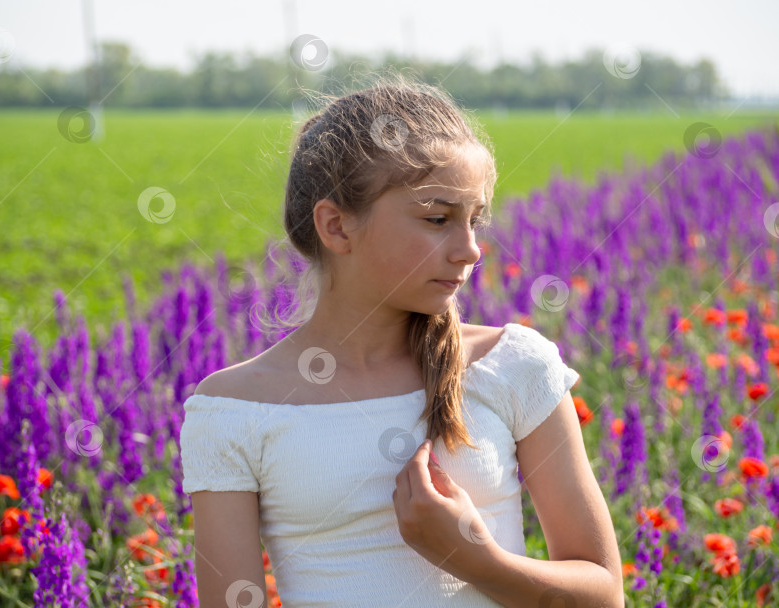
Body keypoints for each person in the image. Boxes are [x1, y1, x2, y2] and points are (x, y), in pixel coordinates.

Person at [179, 71, 624, 608]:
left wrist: (477, 561)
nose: (471, 249)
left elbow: (605, 593)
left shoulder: (513, 366)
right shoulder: (233, 410)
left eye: (475, 221)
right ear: (337, 227)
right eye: (437, 218)